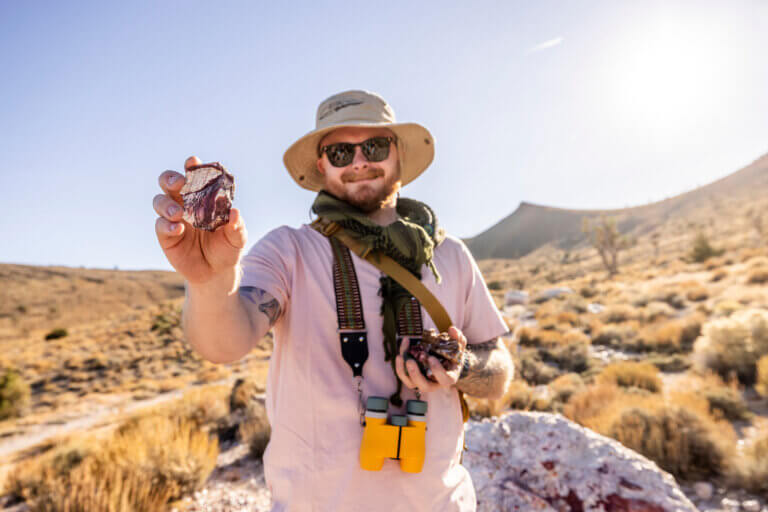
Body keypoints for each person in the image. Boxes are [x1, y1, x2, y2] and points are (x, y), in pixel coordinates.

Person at [153, 90, 514, 511]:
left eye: (375, 146)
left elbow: (500, 371)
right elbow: (223, 344)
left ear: (397, 154)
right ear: (322, 165)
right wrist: (211, 282)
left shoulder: (450, 255)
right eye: (341, 151)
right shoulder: (289, 251)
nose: (359, 161)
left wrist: (462, 366)